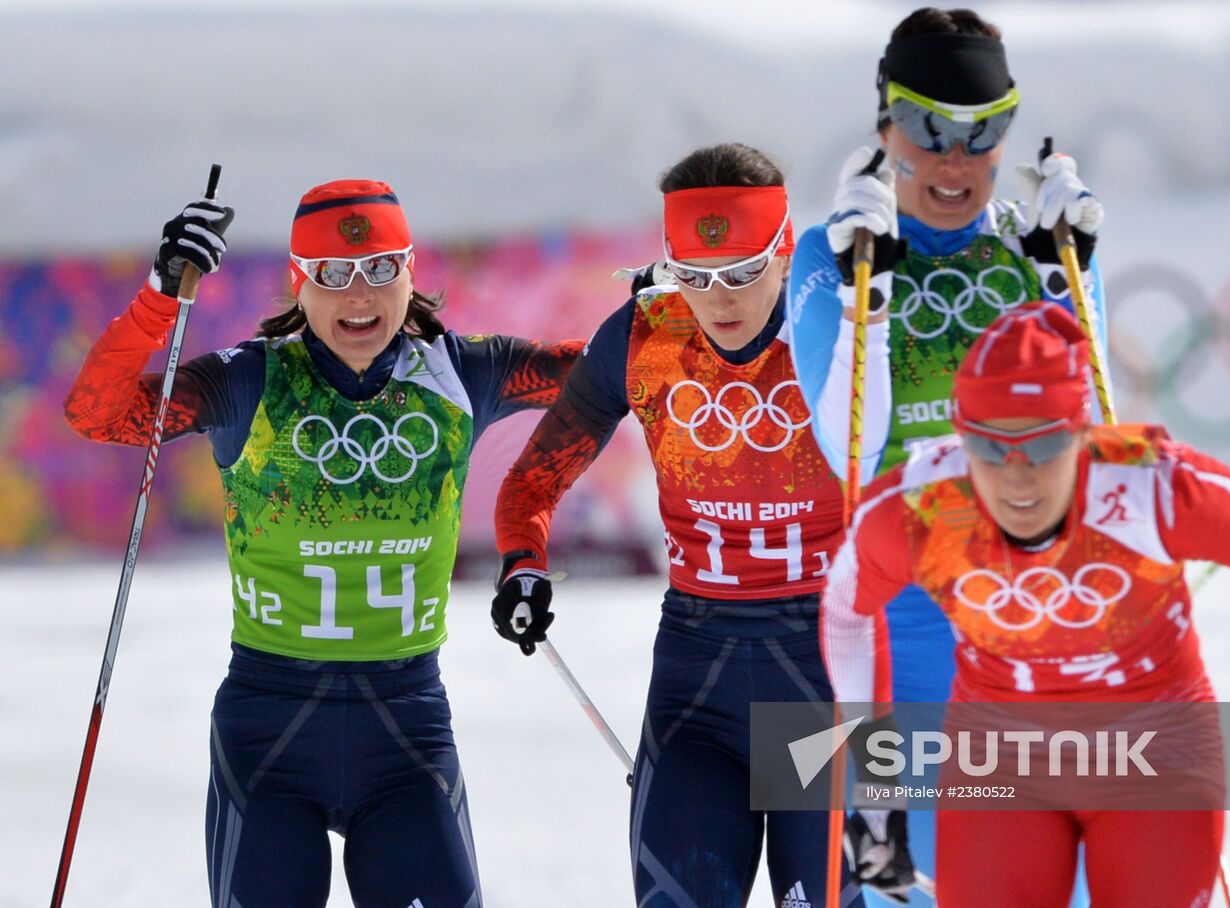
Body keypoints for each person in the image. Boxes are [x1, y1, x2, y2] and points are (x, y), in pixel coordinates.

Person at [63, 180, 583, 907]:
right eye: (333, 276)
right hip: (269, 734)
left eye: (379, 269)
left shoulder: (463, 371)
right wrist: (158, 292)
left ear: (409, 273)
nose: (358, 296)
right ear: (299, 285)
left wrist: (668, 298)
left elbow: (615, 373)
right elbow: (98, 414)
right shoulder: (248, 379)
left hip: (406, 734)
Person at [822, 302, 1230, 906]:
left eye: (1045, 446)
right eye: (990, 448)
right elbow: (847, 611)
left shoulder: (1151, 485)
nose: (1018, 480)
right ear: (961, 436)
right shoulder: (921, 504)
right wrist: (875, 783)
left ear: (1084, 434)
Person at [492, 143, 872, 907]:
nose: (719, 300)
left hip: (833, 676)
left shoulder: (843, 326)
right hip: (699, 681)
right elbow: (533, 479)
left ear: (786, 252)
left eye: (742, 273)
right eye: (694, 277)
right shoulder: (647, 336)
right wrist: (522, 561)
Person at [785, 8, 1108, 898]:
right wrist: (868, 306)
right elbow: (851, 454)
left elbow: (1100, 449)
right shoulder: (828, 257)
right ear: (884, 124)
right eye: (929, 130)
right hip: (908, 646)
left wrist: (1063, 282)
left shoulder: (1038, 248)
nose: (954, 163)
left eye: (983, 134)